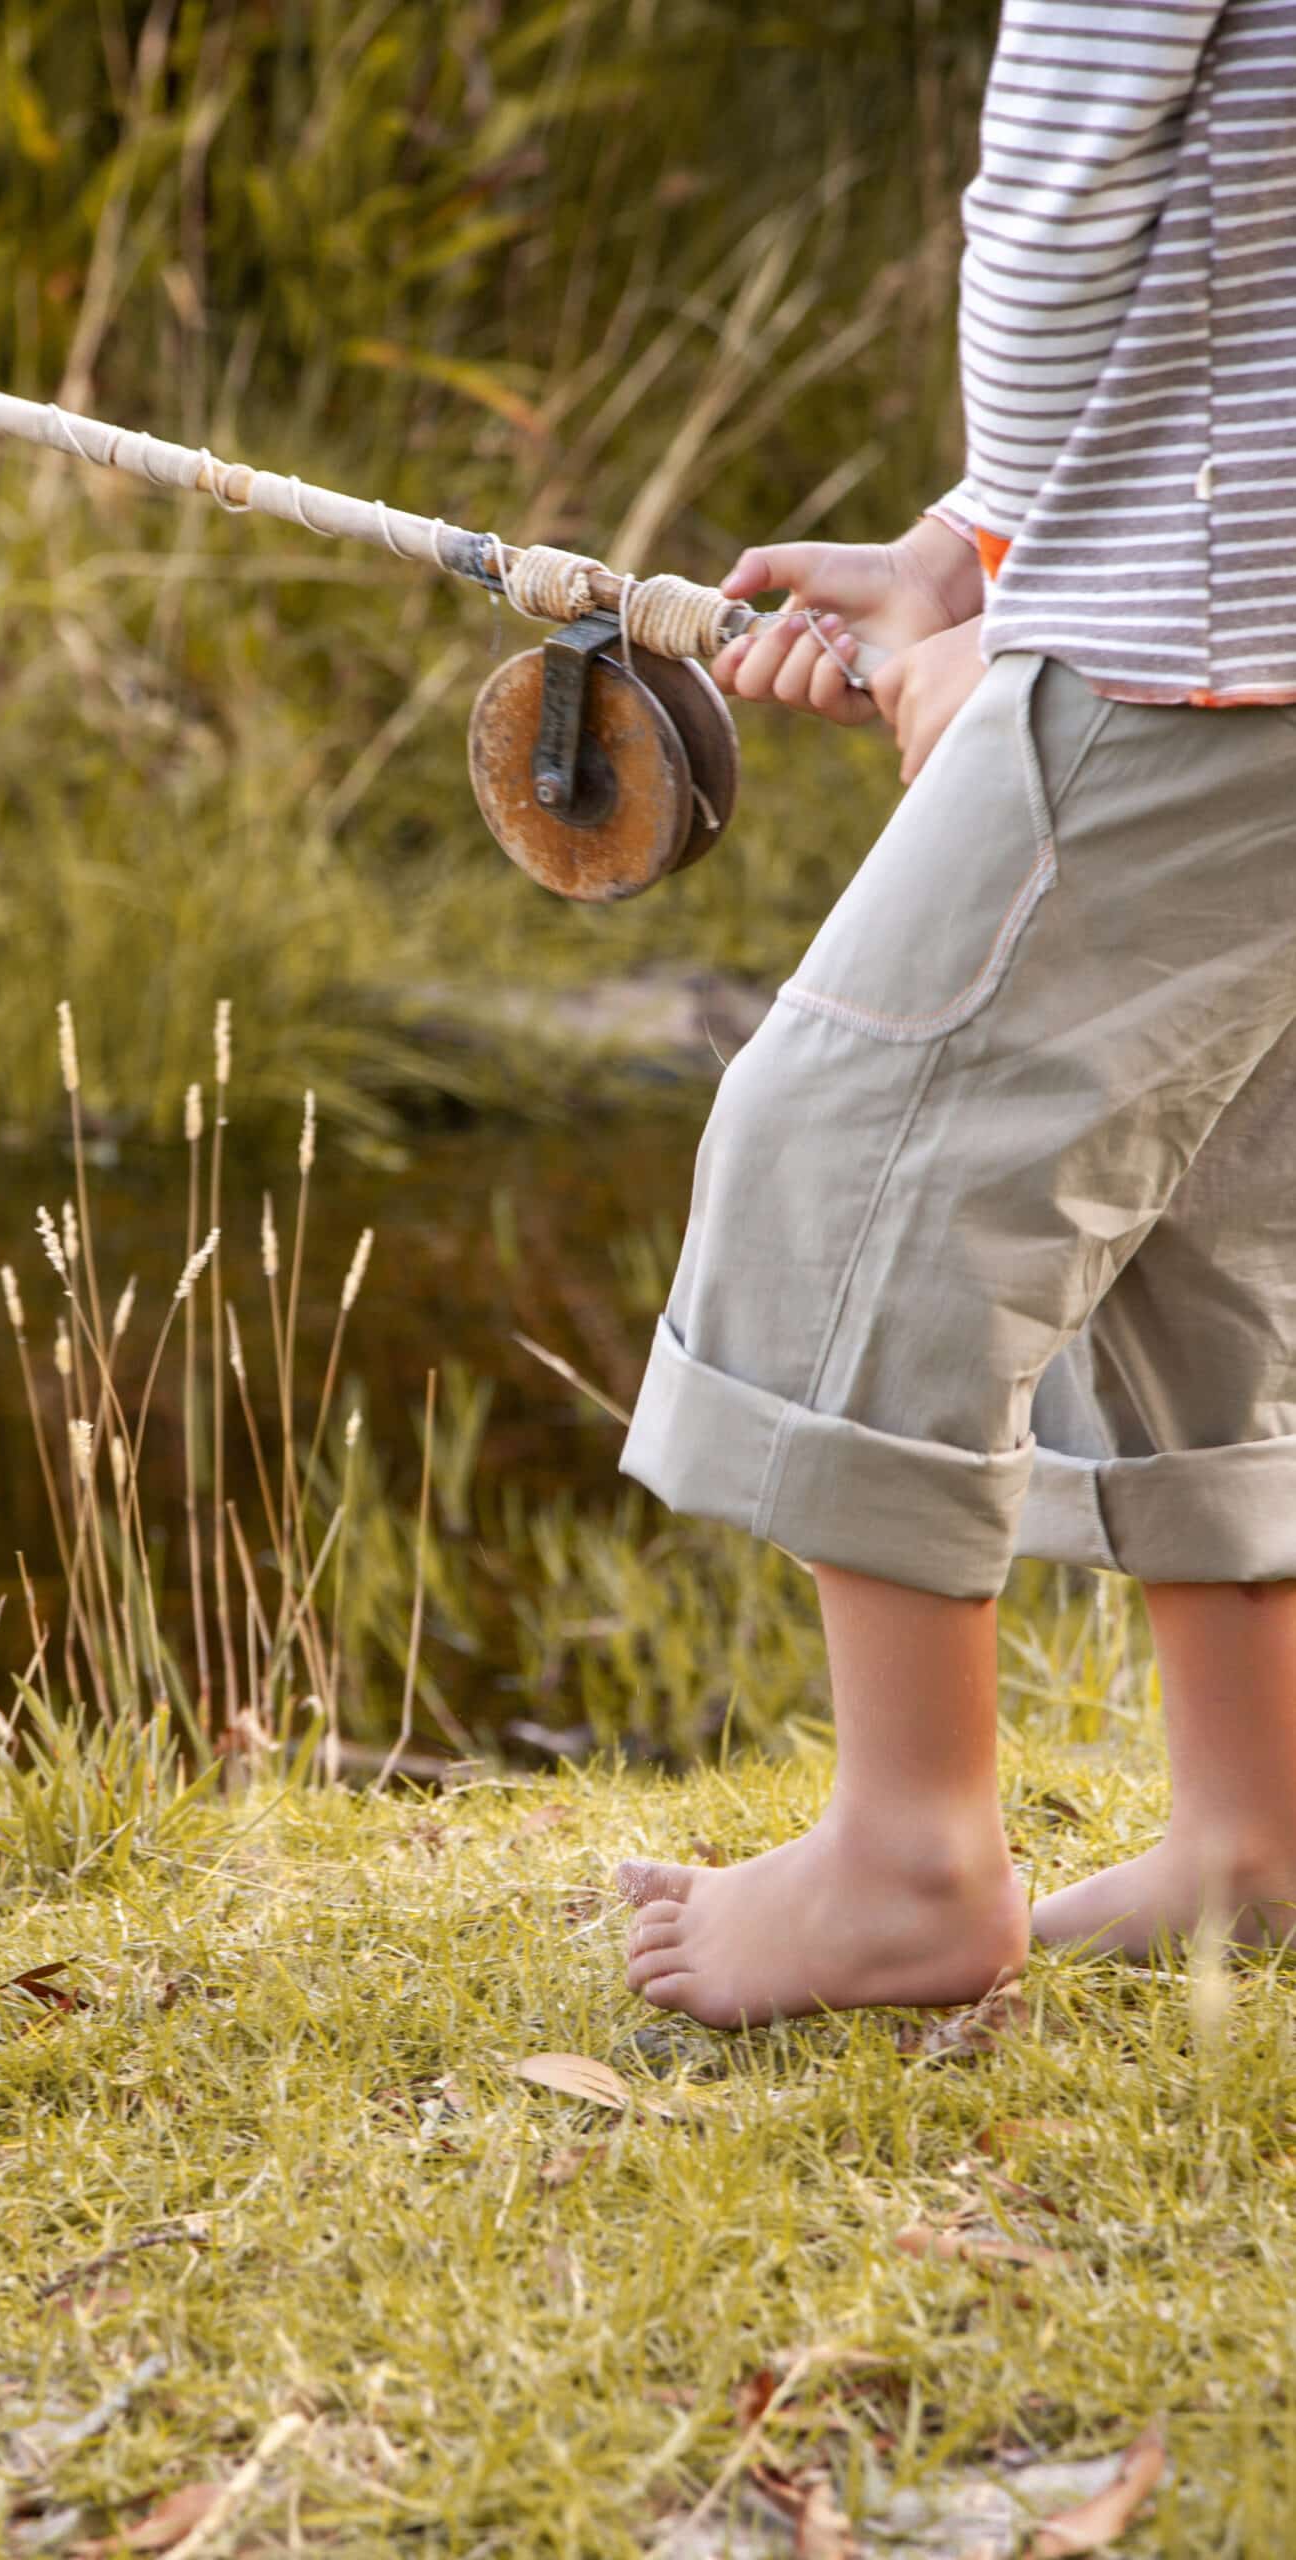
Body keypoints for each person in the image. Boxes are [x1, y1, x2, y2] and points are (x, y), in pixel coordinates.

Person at [617, 0, 1296, 2027]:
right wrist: (965, 548)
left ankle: (908, 1856)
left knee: (851, 1151)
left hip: (1190, 639)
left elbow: (1074, 183)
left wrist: (1035, 602)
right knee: (1205, 1187)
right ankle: (1247, 1826)